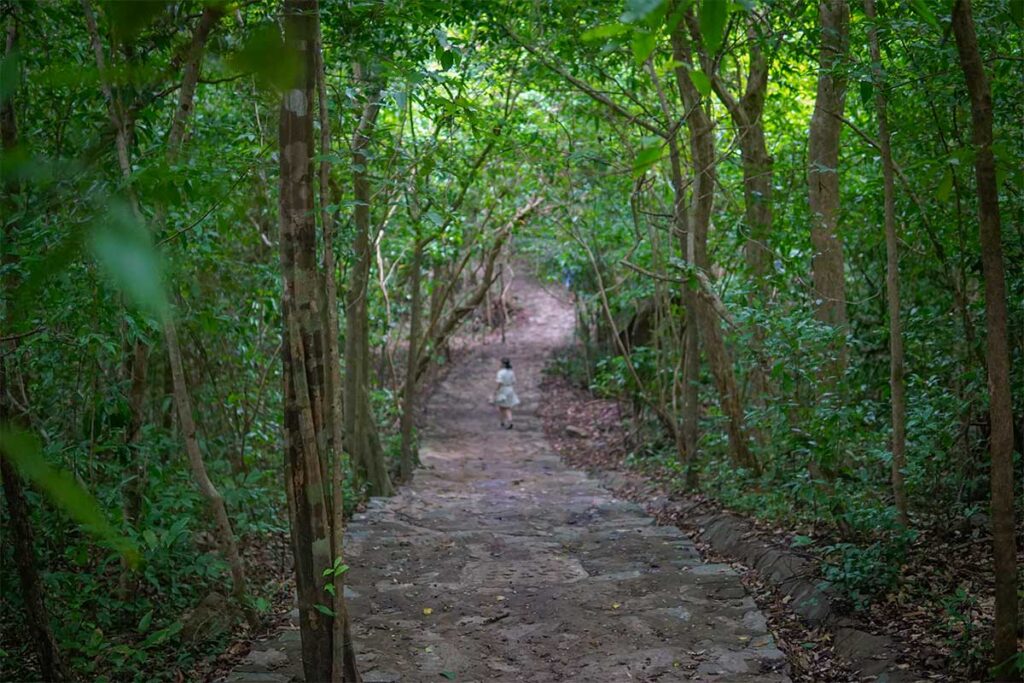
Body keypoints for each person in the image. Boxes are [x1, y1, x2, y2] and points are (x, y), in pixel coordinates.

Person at [493, 357, 520, 429]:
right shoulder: (511, 372)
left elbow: (499, 383)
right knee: (504, 407)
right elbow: (514, 381)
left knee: (504, 407)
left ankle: (509, 421)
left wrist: (496, 391)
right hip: (510, 389)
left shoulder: (500, 372)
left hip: (503, 390)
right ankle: (502, 421)